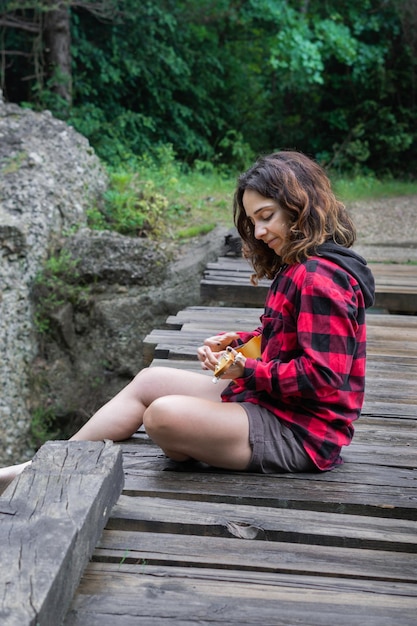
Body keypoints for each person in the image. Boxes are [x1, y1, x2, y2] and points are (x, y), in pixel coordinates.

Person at [0, 150, 375, 489]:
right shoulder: (299, 267)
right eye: (253, 221)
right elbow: (288, 337)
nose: (259, 232)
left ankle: (190, 440)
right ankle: (42, 464)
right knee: (152, 380)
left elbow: (324, 377)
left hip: (301, 433)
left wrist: (246, 370)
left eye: (267, 217)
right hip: (273, 404)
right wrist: (242, 343)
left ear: (301, 207)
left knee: (162, 416)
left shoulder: (320, 279)